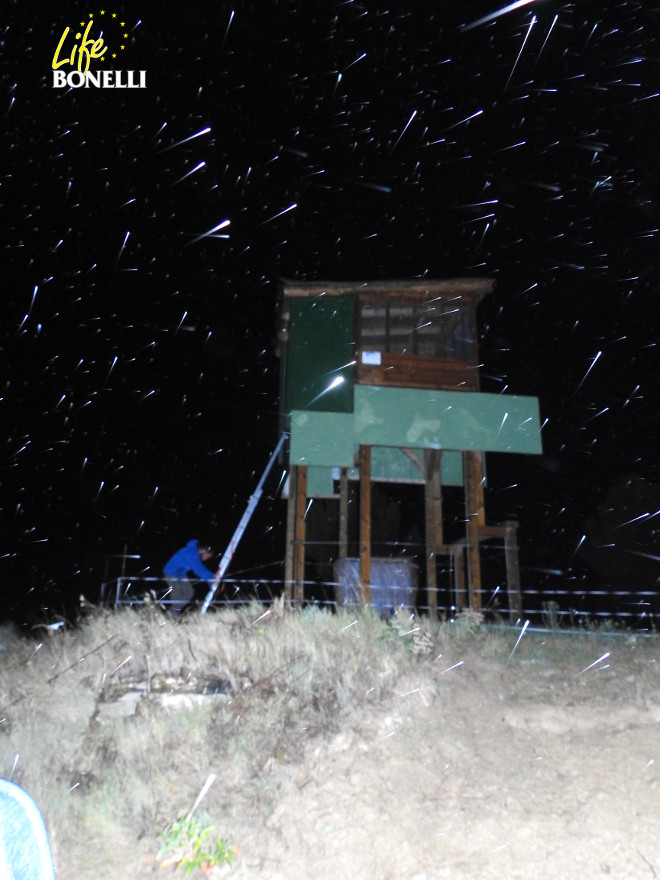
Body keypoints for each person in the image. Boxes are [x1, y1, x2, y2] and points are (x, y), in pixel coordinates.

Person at [162, 540, 216, 614]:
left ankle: (173, 612)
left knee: (189, 592)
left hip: (180, 574)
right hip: (171, 573)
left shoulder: (195, 553)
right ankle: (172, 615)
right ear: (203, 551)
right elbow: (198, 569)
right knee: (177, 596)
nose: (206, 558)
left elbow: (200, 567)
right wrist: (210, 579)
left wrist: (212, 575)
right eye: (207, 556)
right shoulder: (192, 553)